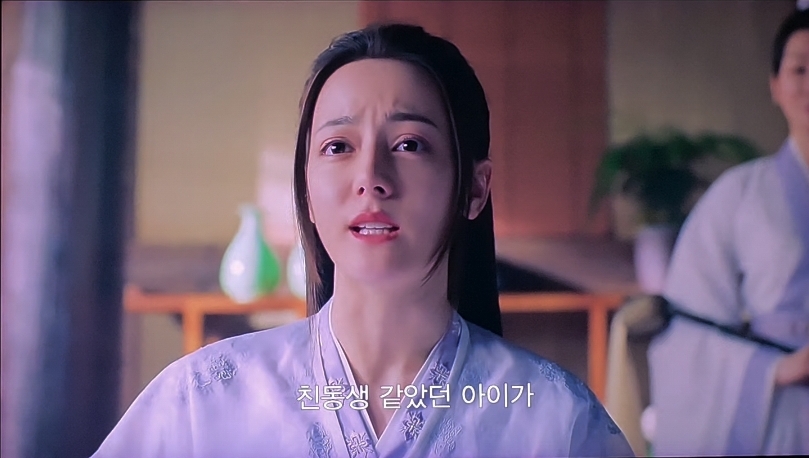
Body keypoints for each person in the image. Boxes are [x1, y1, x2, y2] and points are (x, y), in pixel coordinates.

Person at [93, 23, 632, 457]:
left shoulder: (555, 420)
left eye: (409, 144)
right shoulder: (201, 400)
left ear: (474, 188)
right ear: (306, 189)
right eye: (338, 147)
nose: (371, 177)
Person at [648, 8, 809, 456]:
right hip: (779, 407)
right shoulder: (740, 194)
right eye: (800, 70)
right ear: (775, 85)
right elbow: (688, 322)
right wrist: (775, 370)